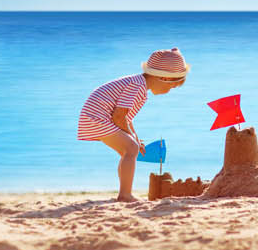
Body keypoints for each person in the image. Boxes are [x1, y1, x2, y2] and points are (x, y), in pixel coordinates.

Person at [78, 47, 188, 202]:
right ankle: (125, 194)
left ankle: (124, 192)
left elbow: (126, 118)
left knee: (129, 150)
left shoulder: (138, 84)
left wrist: (135, 137)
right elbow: (119, 116)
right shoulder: (137, 87)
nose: (169, 91)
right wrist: (132, 140)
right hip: (97, 117)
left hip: (98, 117)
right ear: (163, 78)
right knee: (131, 149)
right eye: (171, 87)